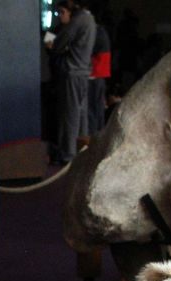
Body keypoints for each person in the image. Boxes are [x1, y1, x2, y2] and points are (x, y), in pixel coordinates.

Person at [46, 0, 94, 163]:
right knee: (80, 114)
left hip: (72, 72)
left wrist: (56, 45)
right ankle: (80, 151)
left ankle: (69, 154)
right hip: (82, 72)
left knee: (70, 115)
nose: (61, 16)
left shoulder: (78, 21)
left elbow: (57, 45)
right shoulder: (90, 20)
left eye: (62, 12)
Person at [87, 8, 111, 135]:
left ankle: (93, 136)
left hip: (93, 74)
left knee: (91, 109)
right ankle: (99, 134)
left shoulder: (95, 32)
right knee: (98, 108)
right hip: (100, 74)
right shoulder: (102, 31)